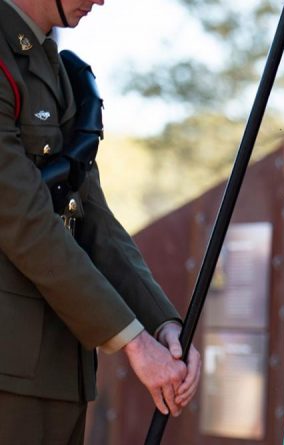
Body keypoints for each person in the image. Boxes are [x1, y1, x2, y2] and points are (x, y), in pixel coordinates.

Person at [0, 0, 200, 442]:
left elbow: (92, 215)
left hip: (58, 372)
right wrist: (133, 342)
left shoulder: (56, 69)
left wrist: (162, 323)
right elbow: (25, 222)